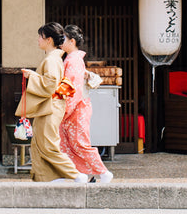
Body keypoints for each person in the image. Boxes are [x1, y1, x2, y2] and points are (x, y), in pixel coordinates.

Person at [16, 22, 88, 184]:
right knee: (39, 144)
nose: (38, 40)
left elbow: (50, 84)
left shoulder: (51, 60)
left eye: (40, 37)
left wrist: (32, 76)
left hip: (50, 108)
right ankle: (49, 178)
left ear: (48, 40)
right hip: (49, 108)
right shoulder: (53, 58)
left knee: (47, 145)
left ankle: (76, 175)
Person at [58, 24, 114, 184]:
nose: (61, 41)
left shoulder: (73, 60)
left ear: (72, 41)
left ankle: (103, 172)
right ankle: (77, 174)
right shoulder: (71, 59)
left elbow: (72, 87)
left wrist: (65, 109)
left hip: (76, 108)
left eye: (64, 38)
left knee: (79, 143)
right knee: (68, 143)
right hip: (75, 107)